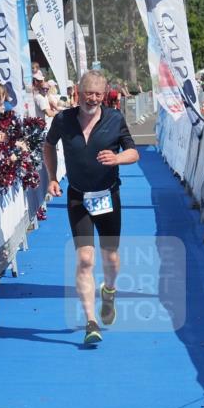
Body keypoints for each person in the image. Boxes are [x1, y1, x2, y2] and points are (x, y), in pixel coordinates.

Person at [43, 70, 138, 346]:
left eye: (98, 94)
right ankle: (90, 321)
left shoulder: (114, 119)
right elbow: (48, 147)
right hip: (77, 198)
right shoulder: (63, 119)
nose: (93, 99)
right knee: (85, 260)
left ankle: (109, 290)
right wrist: (51, 178)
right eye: (88, 94)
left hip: (108, 196)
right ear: (78, 93)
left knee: (110, 258)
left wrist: (118, 158)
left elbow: (134, 152)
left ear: (104, 94)